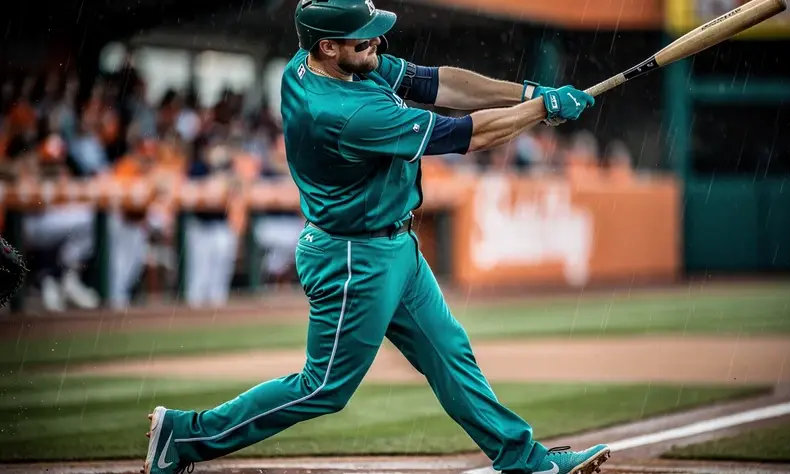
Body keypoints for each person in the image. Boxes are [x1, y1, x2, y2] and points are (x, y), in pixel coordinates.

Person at [142, 1, 607, 473]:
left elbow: (438, 82)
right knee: (323, 387)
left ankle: (523, 459)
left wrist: (529, 92)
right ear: (328, 46)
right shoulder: (345, 114)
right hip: (353, 257)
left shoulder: (313, 64)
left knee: (450, 355)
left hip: (394, 246)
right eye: (363, 39)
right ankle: (184, 435)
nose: (376, 45)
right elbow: (468, 135)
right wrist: (539, 111)